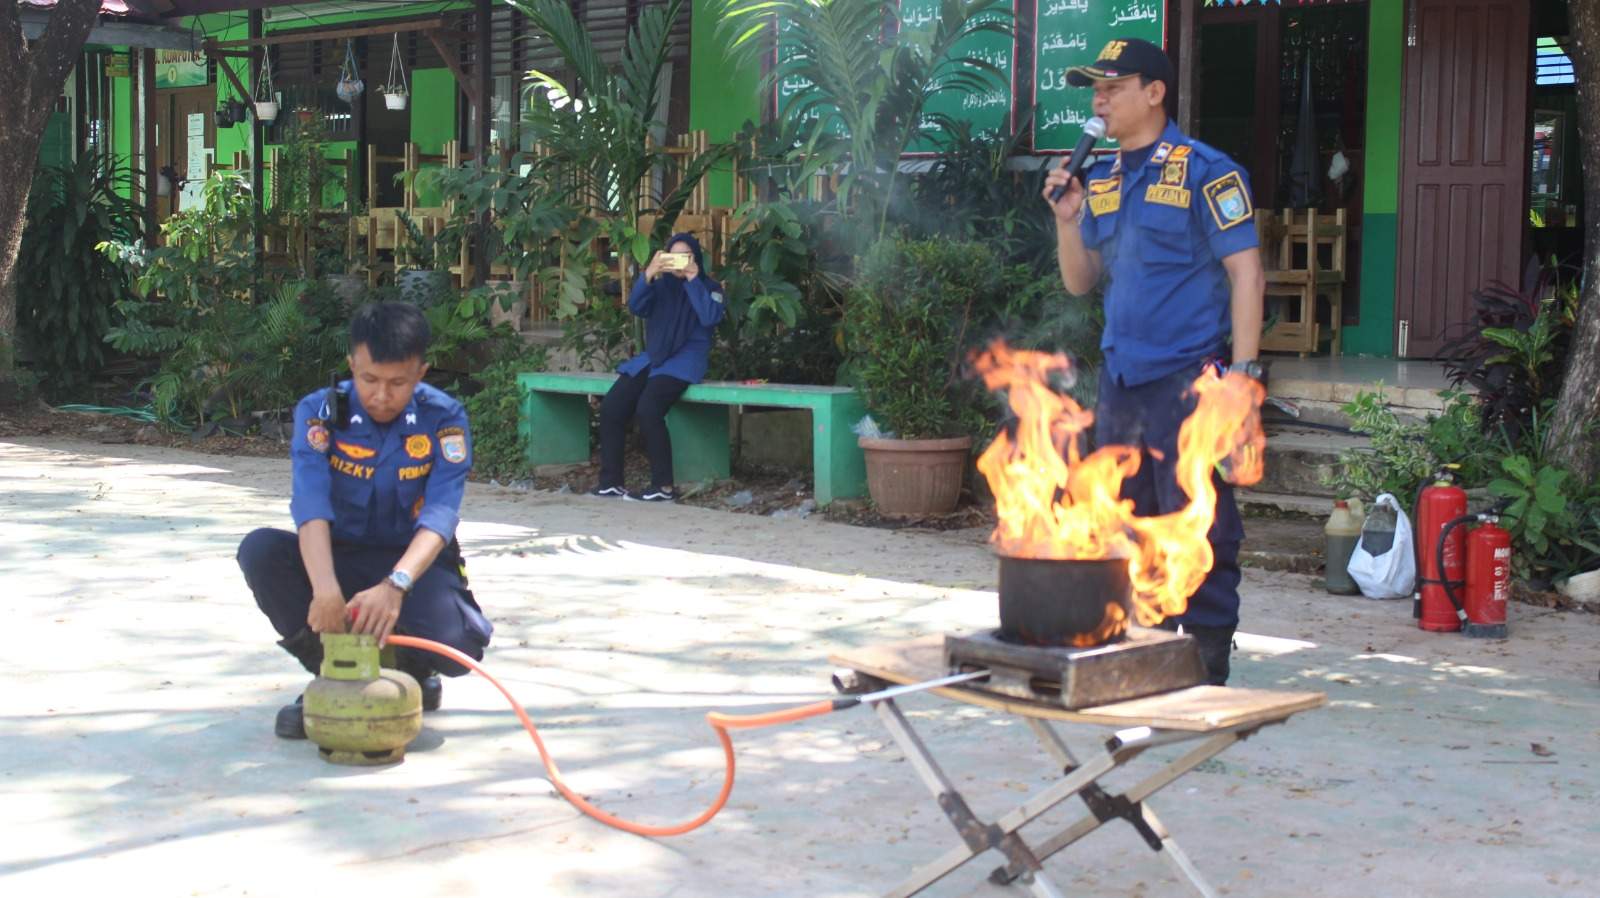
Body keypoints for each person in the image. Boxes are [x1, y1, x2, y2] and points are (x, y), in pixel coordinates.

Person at [1042, 38, 1266, 685]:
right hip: (1123, 384)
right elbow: (1082, 283)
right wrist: (1066, 221)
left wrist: (1243, 380)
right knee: (1121, 518)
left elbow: (1245, 273)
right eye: (1094, 89)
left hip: (1191, 380)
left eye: (1112, 87)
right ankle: (1142, 645)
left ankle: (1206, 659)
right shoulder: (1103, 180)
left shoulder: (1207, 172)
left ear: (1155, 92)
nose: (1099, 100)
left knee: (1203, 521)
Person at [237, 301, 493, 739]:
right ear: (352, 364)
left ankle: (410, 670)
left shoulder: (444, 418)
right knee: (260, 551)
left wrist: (396, 586)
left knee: (457, 649)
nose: (381, 395)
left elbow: (441, 512)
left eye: (398, 383)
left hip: (410, 560)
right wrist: (324, 588)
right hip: (339, 555)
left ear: (421, 371)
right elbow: (311, 504)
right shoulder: (319, 414)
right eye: (369, 378)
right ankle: (335, 675)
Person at [591, 233, 726, 502]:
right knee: (613, 406)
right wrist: (649, 274)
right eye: (672, 256)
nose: (678, 263)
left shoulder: (710, 287)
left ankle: (663, 486)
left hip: (685, 362)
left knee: (649, 409)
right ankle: (611, 482)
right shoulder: (661, 286)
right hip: (653, 358)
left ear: (695, 258)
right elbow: (636, 306)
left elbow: (710, 316)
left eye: (684, 256)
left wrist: (692, 279)